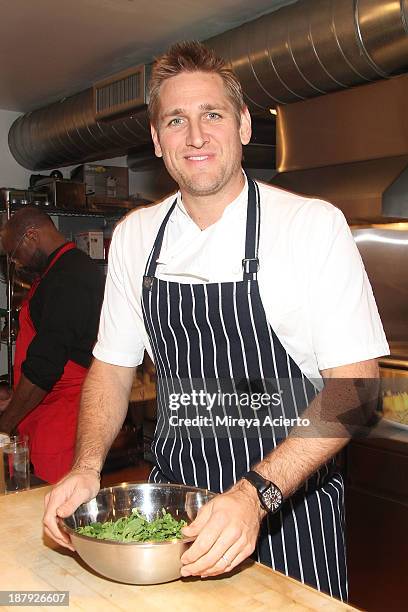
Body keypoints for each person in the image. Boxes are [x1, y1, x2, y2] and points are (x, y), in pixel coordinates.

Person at [43, 41, 389, 600]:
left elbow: (358, 390)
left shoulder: (309, 226)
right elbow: (109, 368)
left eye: (212, 114)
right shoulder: (136, 237)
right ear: (157, 141)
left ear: (244, 125)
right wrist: (86, 467)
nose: (196, 136)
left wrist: (253, 496)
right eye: (176, 120)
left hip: (287, 514)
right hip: (172, 517)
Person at [0, 207, 104, 483]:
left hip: (63, 422)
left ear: (31, 236)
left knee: (56, 506)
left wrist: (5, 425)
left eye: (14, 254)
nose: (18, 263)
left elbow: (46, 364)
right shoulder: (58, 271)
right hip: (45, 410)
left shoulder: (70, 276)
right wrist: (17, 398)